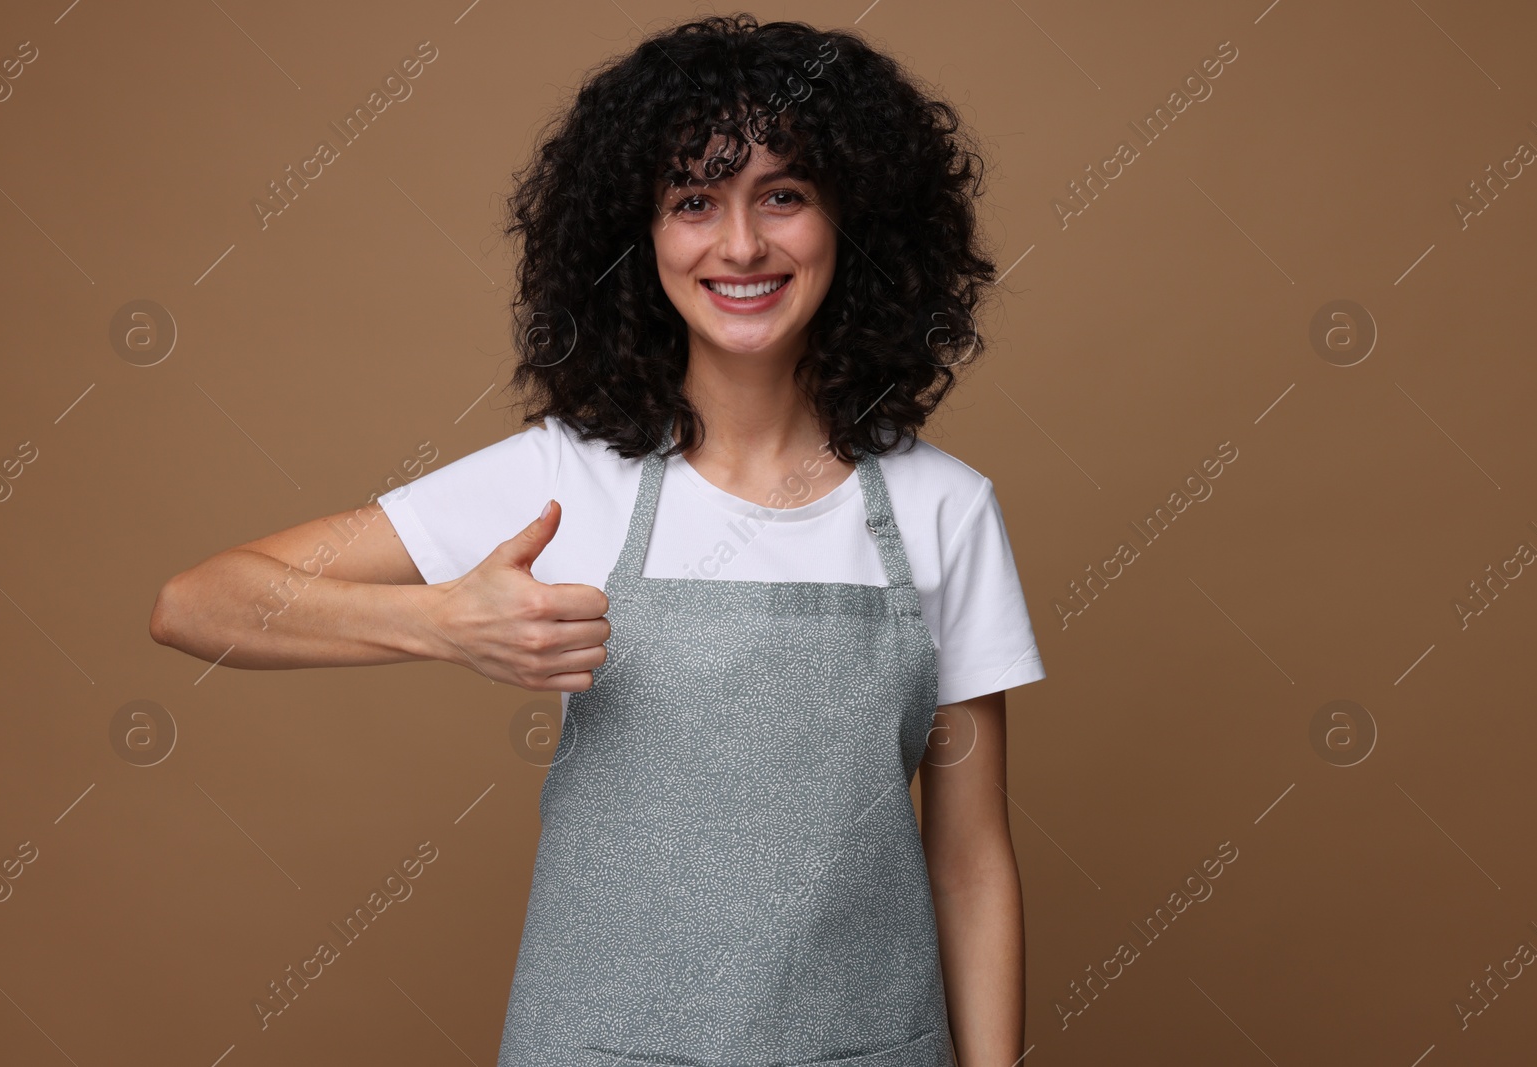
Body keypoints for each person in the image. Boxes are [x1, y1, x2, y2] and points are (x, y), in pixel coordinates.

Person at [150, 13, 1044, 1065]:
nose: (741, 244)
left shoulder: (943, 507)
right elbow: (196, 603)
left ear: (859, 223)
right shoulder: (565, 478)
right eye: (693, 201)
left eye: (785, 196)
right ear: (636, 237)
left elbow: (969, 856)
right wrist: (440, 621)